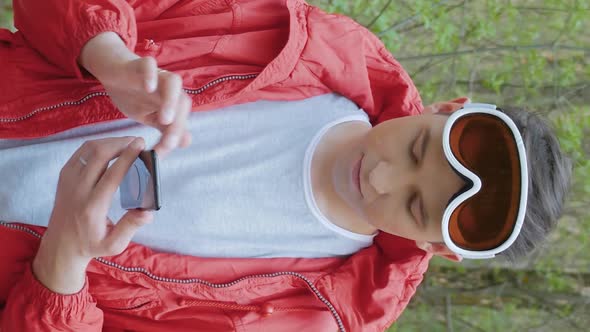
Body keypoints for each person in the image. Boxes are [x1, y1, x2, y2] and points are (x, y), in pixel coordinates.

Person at [0, 0, 571, 331]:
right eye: (417, 149)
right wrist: (110, 57)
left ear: (438, 249)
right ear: (448, 109)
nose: (380, 177)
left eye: (414, 205)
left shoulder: (312, 317)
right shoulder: (293, 44)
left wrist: (65, 261)